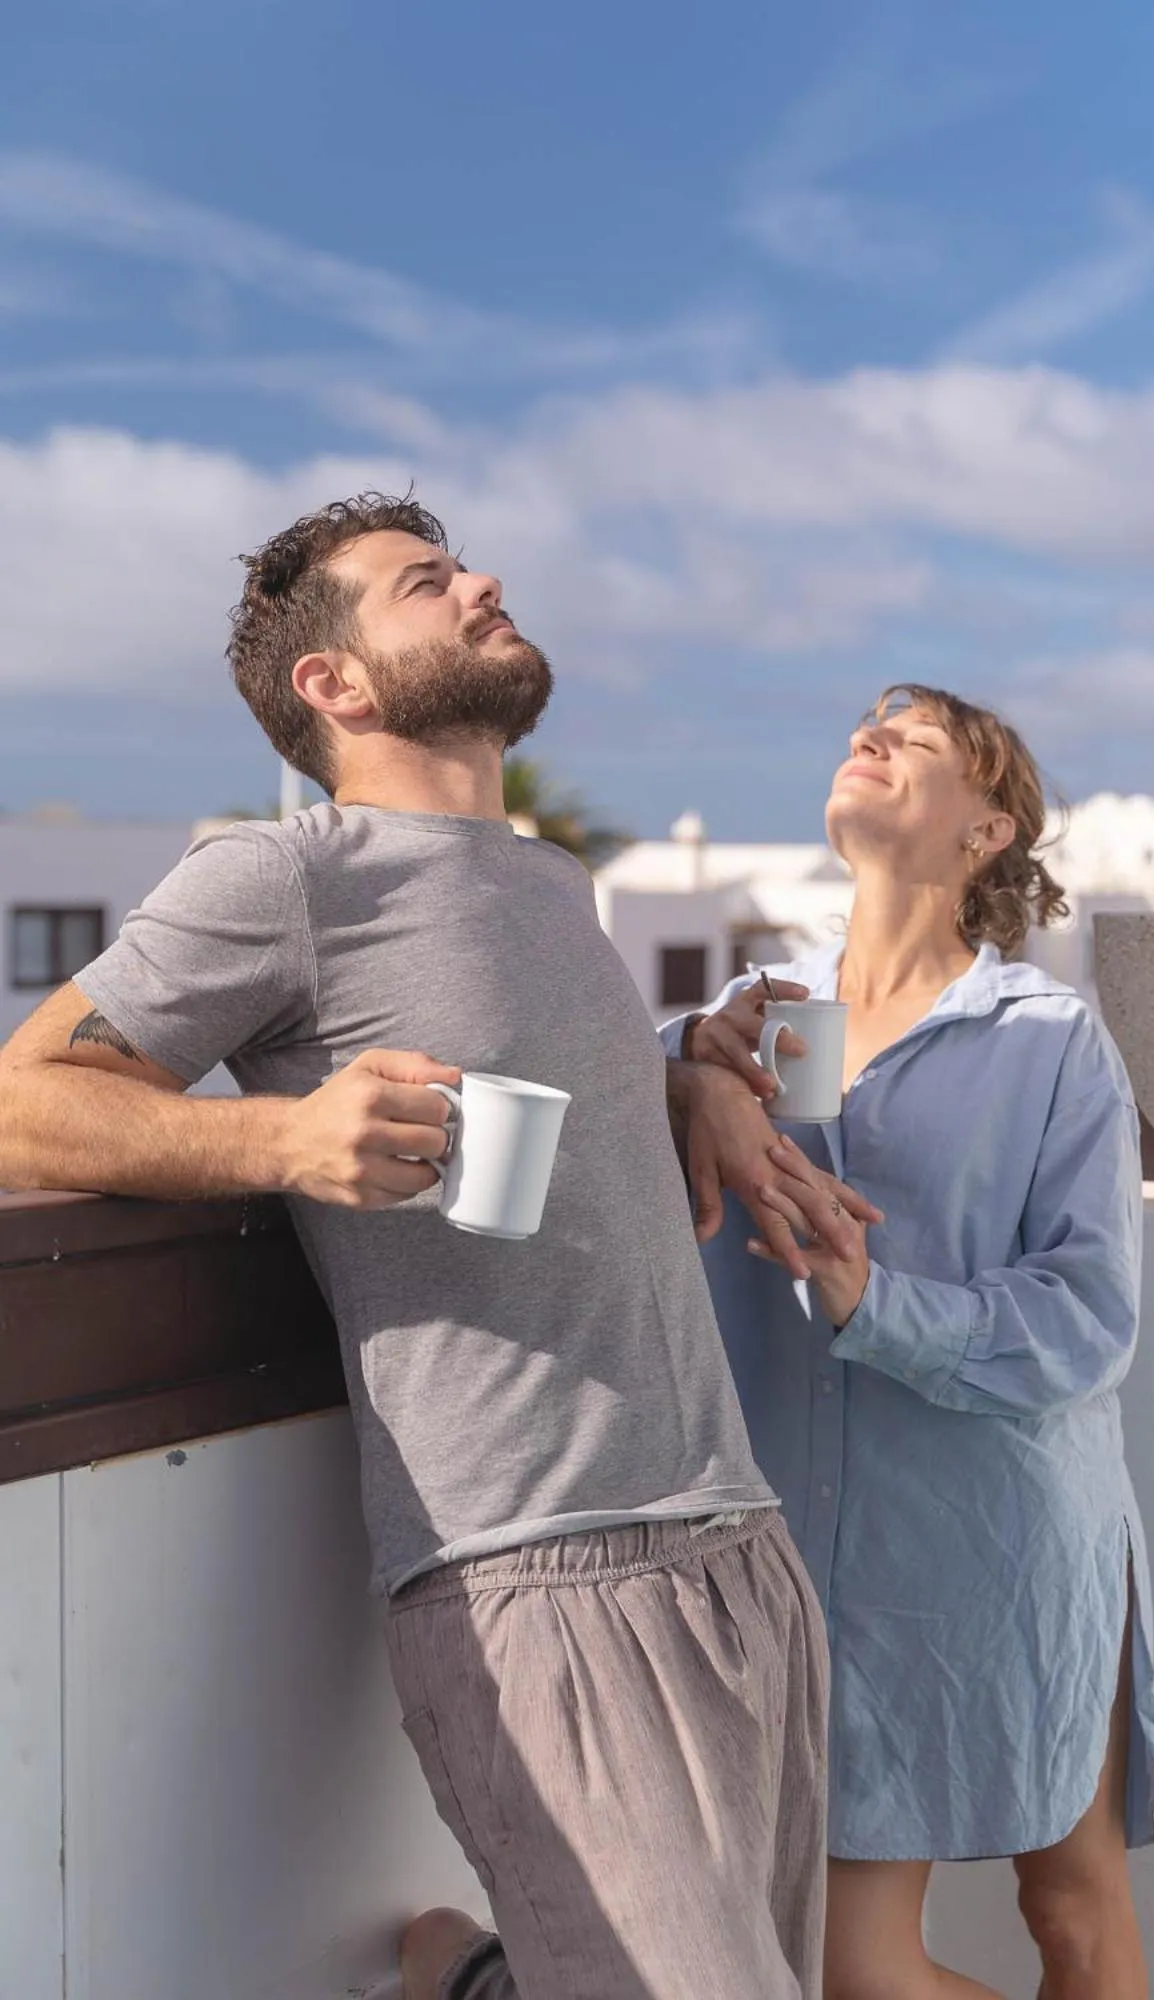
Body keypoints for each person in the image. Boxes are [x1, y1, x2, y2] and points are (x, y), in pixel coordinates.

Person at [0, 493, 876, 2000]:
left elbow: (530, 1061)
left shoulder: (549, 880)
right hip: (534, 1574)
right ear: (332, 685)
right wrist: (279, 1142)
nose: (482, 582)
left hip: (739, 1539)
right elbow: (24, 1103)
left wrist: (682, 1078)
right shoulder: (282, 878)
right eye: (426, 582)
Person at [668, 685, 1154, 2000]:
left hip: (1013, 1545)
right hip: (815, 1572)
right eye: (863, 732)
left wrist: (869, 1300)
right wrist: (686, 1067)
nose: (868, 743)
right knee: (858, 1972)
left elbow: (1087, 1318)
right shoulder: (758, 1023)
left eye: (917, 744)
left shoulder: (1047, 1040)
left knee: (1072, 1907)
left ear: (987, 830)